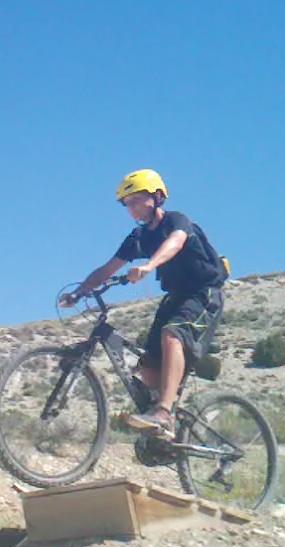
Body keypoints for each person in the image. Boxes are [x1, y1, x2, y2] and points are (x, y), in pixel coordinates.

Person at [59, 168, 227, 438]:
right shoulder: (138, 238)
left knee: (172, 334)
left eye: (137, 199)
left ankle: (164, 413)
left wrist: (149, 265)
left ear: (157, 196)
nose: (132, 207)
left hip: (203, 293)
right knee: (148, 366)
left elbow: (175, 242)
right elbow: (108, 268)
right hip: (175, 297)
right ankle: (165, 417)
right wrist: (79, 293)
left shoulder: (176, 221)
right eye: (128, 204)